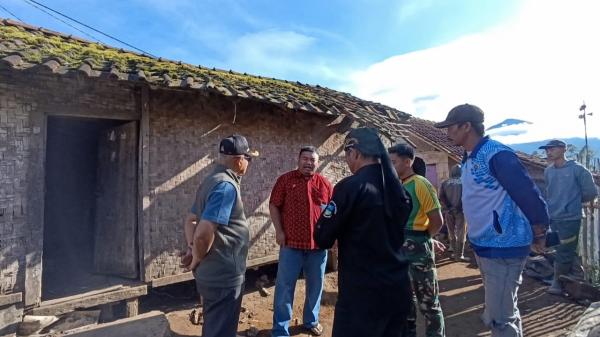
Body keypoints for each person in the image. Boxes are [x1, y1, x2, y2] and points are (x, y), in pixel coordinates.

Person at [435, 104, 549, 337]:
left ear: (467, 126)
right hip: (485, 244)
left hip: (504, 244)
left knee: (500, 317)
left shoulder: (496, 154)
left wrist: (539, 231)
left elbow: (527, 192)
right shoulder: (468, 159)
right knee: (504, 310)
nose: (447, 133)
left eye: (450, 127)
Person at [313, 127, 413, 337]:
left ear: (355, 153)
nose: (347, 161)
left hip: (363, 294)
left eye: (346, 155)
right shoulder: (399, 191)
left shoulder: (350, 187)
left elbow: (322, 237)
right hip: (398, 287)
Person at [180, 134, 258, 337]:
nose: (249, 163)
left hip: (211, 272)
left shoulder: (211, 180)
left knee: (214, 324)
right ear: (239, 160)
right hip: (223, 275)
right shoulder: (226, 187)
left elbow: (191, 220)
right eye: (248, 158)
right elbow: (203, 233)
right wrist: (196, 258)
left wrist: (191, 249)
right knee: (221, 330)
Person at [270, 146, 333, 337]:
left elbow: (332, 212)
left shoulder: (325, 184)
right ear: (298, 160)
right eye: (305, 159)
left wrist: (332, 237)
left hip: (318, 247)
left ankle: (311, 320)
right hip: (291, 244)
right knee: (285, 287)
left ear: (317, 162)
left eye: (312, 160)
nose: (308, 162)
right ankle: (280, 329)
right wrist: (279, 231)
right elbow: (274, 205)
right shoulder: (285, 180)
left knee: (315, 286)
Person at [388, 144, 445, 337]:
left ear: (407, 161)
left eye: (393, 162)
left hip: (419, 250)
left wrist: (424, 239)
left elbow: (437, 220)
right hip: (400, 250)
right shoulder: (399, 186)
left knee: (429, 303)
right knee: (405, 301)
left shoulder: (420, 183)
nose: (390, 166)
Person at [539, 139, 598, 295]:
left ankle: (557, 284)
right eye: (547, 149)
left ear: (563, 150)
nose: (548, 152)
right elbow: (549, 193)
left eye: (552, 149)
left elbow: (591, 193)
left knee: (564, 250)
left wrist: (571, 202)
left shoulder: (578, 170)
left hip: (570, 218)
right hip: (553, 216)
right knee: (558, 249)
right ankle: (575, 278)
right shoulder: (549, 171)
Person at [439, 164, 469, 261]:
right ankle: (459, 255)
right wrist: (458, 207)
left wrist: (449, 207)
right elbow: (467, 196)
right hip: (461, 211)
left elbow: (441, 197)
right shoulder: (465, 182)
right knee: (461, 232)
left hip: (448, 211)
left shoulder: (445, 183)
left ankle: (454, 252)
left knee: (451, 231)